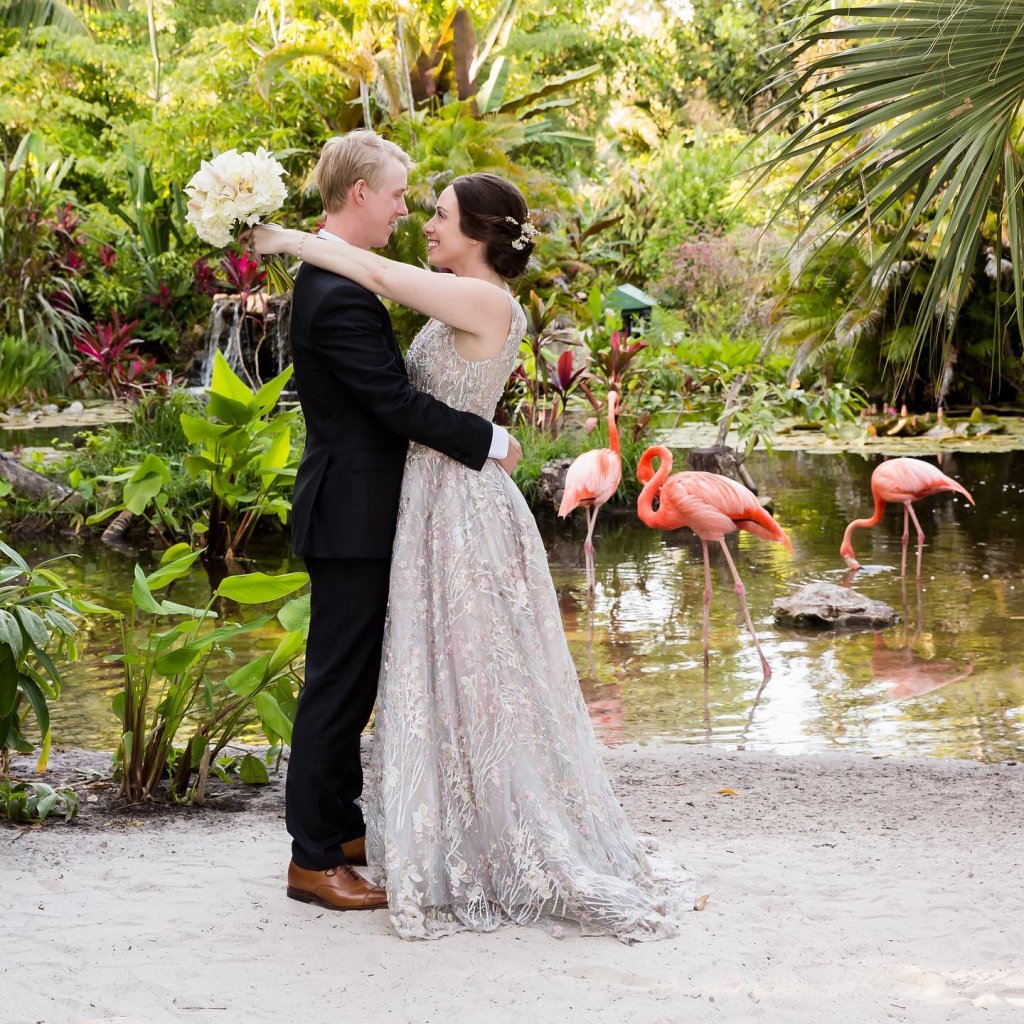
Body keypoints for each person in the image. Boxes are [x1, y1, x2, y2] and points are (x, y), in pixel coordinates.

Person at [250, 171, 700, 941]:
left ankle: (463, 826)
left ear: (483, 231)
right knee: (430, 669)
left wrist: (294, 240)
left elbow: (382, 278)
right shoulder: (452, 289)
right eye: (419, 207)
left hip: (456, 505)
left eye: (441, 213)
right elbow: (389, 324)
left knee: (475, 670)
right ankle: (369, 830)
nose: (424, 220)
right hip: (423, 500)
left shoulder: (486, 300)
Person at [274, 131, 522, 913]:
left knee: (357, 679)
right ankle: (313, 860)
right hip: (353, 513)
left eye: (429, 207)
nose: (405, 210)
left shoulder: (343, 279)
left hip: (384, 509)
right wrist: (487, 439)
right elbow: (393, 403)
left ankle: (341, 828)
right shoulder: (338, 287)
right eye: (397, 195)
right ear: (358, 195)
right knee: (339, 687)